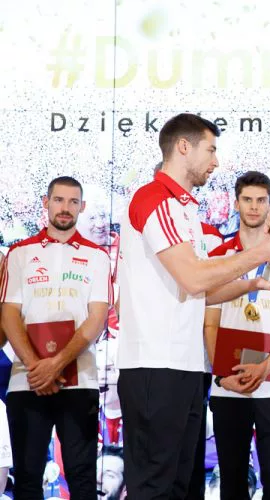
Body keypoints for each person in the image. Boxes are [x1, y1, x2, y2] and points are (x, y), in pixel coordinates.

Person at [116, 113, 270, 498]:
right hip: (155, 364)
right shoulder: (155, 199)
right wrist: (261, 252)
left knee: (181, 486)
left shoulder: (185, 210)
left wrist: (255, 282)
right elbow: (194, 278)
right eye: (211, 150)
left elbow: (201, 294)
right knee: (154, 486)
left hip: (185, 366)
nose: (216, 161)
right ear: (184, 147)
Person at [0, 176, 112, 498]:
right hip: (27, 380)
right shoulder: (19, 253)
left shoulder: (98, 256)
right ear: (46, 203)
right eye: (59, 200)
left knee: (81, 477)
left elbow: (97, 317)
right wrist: (37, 367)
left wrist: (56, 364)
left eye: (73, 202)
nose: (66, 208)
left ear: (82, 207)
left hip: (80, 382)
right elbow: (9, 314)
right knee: (28, 477)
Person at [205, 171, 270, 500]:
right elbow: (210, 323)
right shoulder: (219, 257)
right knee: (232, 484)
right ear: (236, 204)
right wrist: (222, 376)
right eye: (247, 200)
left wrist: (266, 365)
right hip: (229, 386)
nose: (253, 207)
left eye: (261, 200)